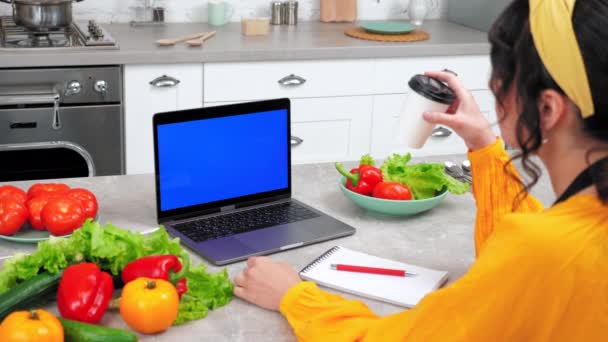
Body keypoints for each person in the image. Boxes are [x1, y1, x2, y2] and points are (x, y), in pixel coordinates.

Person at [233, 0, 608, 340]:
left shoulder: (546, 251)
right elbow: (523, 263)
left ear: (547, 109)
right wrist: (482, 144)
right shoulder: (574, 232)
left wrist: (295, 297)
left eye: (505, 71)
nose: (493, 85)